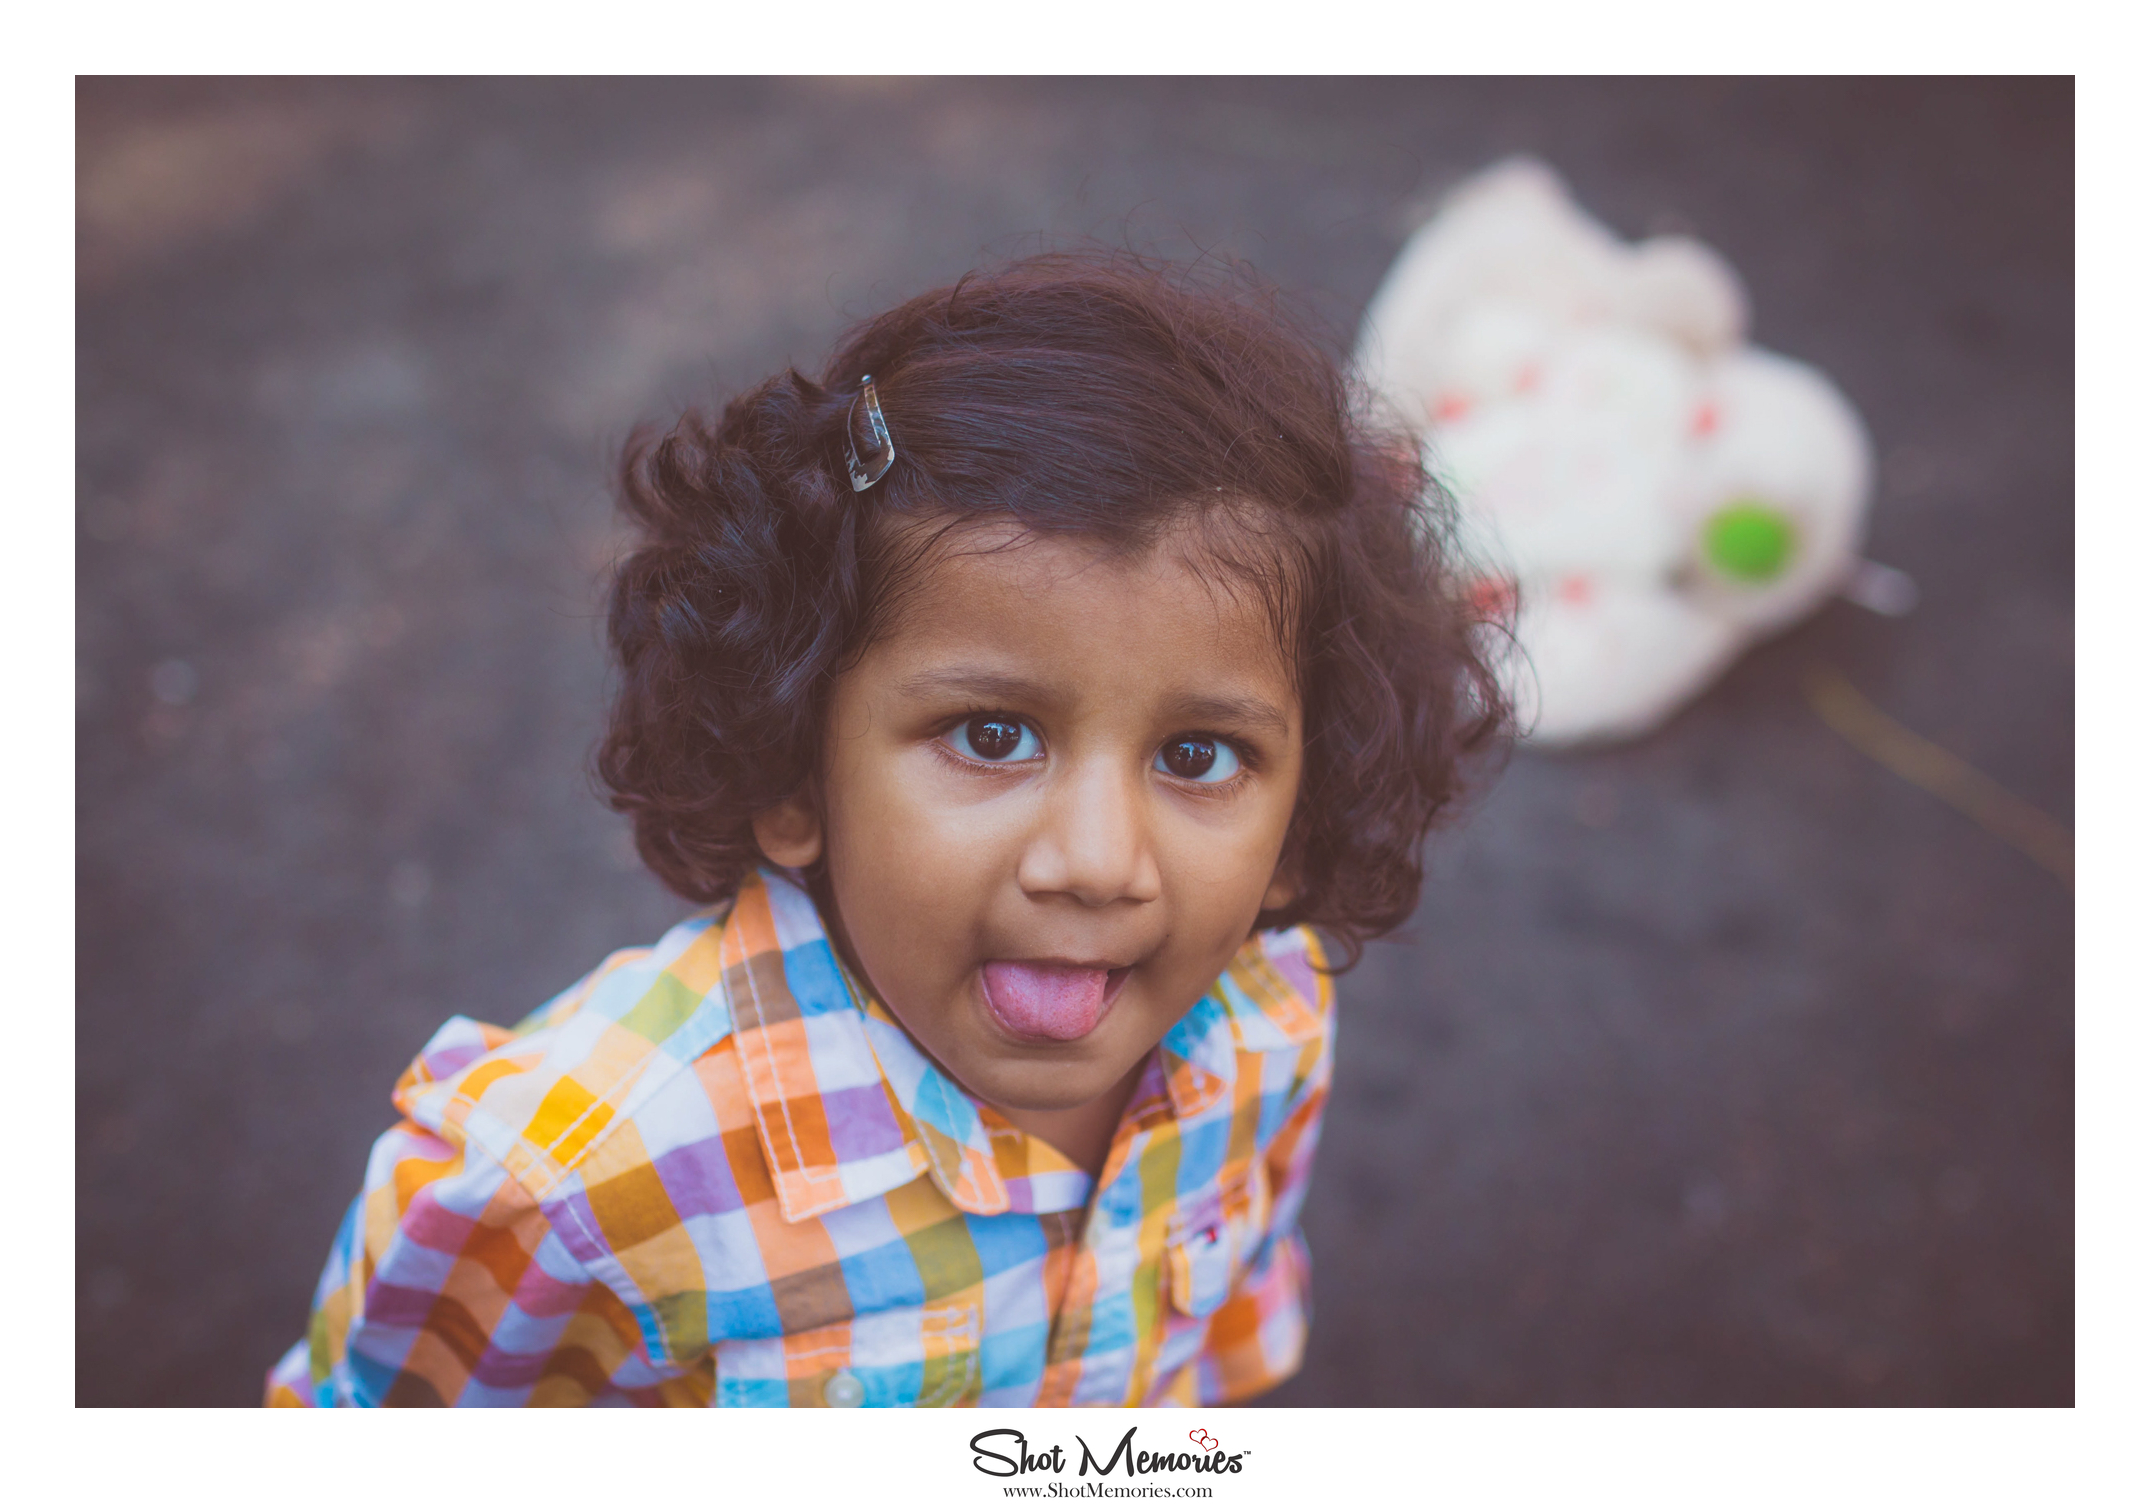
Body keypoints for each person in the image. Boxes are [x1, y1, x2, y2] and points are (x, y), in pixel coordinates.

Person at [265, 251, 1504, 1407]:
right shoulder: (580, 1177)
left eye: (1197, 755)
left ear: (1298, 817)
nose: (1092, 861)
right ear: (792, 764)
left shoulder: (1267, 1021)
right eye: (991, 733)